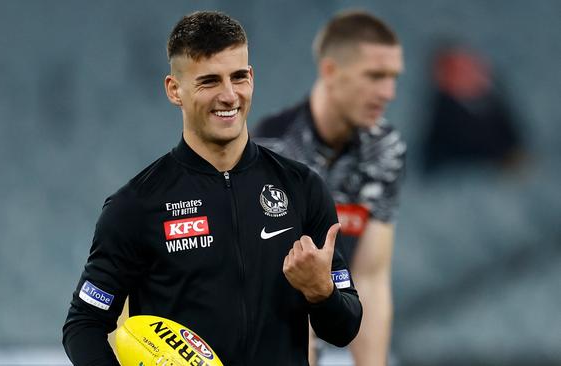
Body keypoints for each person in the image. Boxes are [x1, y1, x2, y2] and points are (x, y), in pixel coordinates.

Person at [62, 11, 362, 366]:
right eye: (209, 81)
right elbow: (84, 324)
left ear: (251, 78)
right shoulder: (137, 205)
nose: (229, 95)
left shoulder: (302, 188)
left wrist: (321, 292)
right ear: (175, 90)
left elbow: (344, 329)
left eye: (238, 77)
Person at [253, 10, 405, 366]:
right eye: (375, 76)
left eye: (393, 78)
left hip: (336, 319)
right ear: (331, 72)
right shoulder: (275, 150)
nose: (388, 92)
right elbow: (280, 288)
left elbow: (370, 275)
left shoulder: (386, 149)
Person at [421, 42, 525, 175]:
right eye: (457, 70)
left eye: (470, 68)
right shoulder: (445, 113)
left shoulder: (490, 104)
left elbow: (514, 142)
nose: (468, 74)